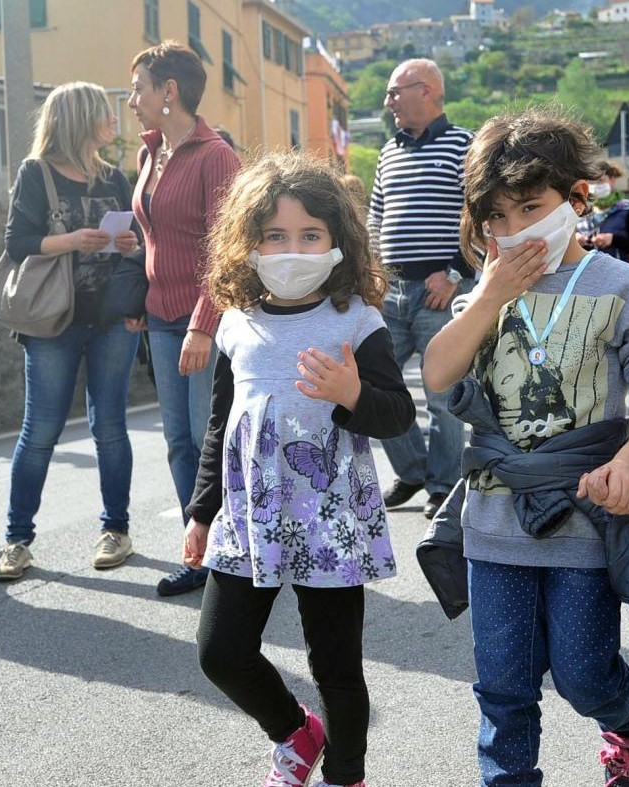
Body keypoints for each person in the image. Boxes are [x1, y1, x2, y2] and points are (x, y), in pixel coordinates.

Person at [422, 108, 629, 787]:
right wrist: (489, 295)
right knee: (503, 687)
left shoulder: (626, 286)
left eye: (530, 207)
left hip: (586, 518)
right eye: (496, 219)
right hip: (494, 519)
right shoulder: (484, 293)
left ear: (574, 197)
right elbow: (439, 372)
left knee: (584, 673)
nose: (514, 231)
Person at [183, 154, 415, 787]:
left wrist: (351, 394)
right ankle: (294, 731)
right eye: (275, 237)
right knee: (220, 653)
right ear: (248, 244)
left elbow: (396, 415)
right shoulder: (235, 323)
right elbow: (219, 423)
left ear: (337, 241)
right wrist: (202, 511)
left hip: (331, 519)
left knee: (337, 668)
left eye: (310, 235)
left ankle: (346, 774)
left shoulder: (358, 323)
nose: (292, 250)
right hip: (247, 517)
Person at [0, 82, 143, 581]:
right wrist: (73, 240)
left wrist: (126, 243)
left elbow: (138, 245)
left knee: (110, 429)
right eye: (105, 115)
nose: (114, 123)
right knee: (39, 433)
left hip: (112, 321)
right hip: (52, 321)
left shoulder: (115, 178)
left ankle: (115, 530)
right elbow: (18, 243)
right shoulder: (35, 174)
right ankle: (17, 540)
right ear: (81, 119)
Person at [128, 42, 242, 595]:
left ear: (167, 91)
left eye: (138, 88)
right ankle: (199, 553)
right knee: (178, 441)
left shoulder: (216, 155)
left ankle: (229, 552)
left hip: (205, 320)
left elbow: (229, 249)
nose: (132, 101)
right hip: (159, 316)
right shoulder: (150, 153)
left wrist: (203, 323)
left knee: (206, 440)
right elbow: (156, 234)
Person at [368, 58, 475, 519]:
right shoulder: (387, 151)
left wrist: (453, 272)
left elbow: (481, 216)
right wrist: (371, 271)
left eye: (395, 92)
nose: (388, 101)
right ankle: (412, 471)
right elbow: (375, 216)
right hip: (390, 289)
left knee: (442, 394)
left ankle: (444, 484)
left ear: (427, 90)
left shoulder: (463, 144)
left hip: (441, 290)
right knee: (371, 382)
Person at [577, 160, 629, 267]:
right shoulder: (582, 212)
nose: (595, 185)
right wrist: (576, 241)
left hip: (620, 276)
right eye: (591, 182)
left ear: (612, 180)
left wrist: (614, 239)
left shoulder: (628, 210)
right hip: (587, 276)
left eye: (600, 180)